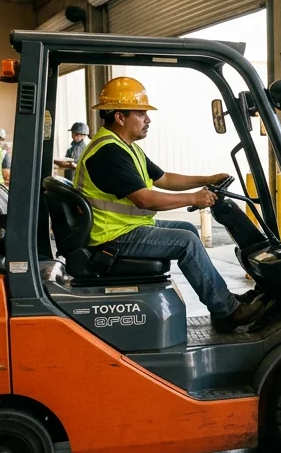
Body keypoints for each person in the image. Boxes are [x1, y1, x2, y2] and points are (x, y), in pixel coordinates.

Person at [74, 76, 264, 331]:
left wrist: (206, 179)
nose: (148, 120)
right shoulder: (108, 152)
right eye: (141, 114)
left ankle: (222, 300)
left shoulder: (125, 146)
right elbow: (145, 199)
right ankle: (226, 311)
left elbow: (163, 179)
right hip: (111, 237)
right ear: (120, 117)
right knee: (186, 242)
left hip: (123, 229)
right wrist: (194, 198)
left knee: (187, 231)